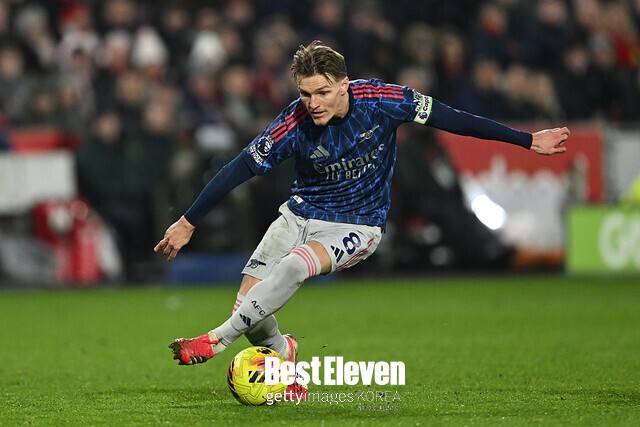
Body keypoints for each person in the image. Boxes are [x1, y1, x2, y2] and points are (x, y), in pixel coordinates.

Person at [154, 40, 570, 366]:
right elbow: (240, 167)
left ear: (344, 85)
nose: (313, 103)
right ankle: (284, 355)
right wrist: (188, 221)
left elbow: (453, 118)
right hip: (298, 214)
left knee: (295, 266)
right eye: (305, 94)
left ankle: (215, 340)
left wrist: (526, 140)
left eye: (322, 92)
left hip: (358, 223)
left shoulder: (383, 101)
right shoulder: (292, 123)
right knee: (251, 311)